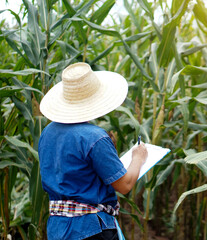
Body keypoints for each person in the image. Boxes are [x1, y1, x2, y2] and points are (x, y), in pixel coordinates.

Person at [38, 62, 148, 240]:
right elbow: (124, 185)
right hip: (92, 229)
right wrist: (138, 158)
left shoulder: (47, 132)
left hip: (58, 229)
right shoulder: (94, 137)